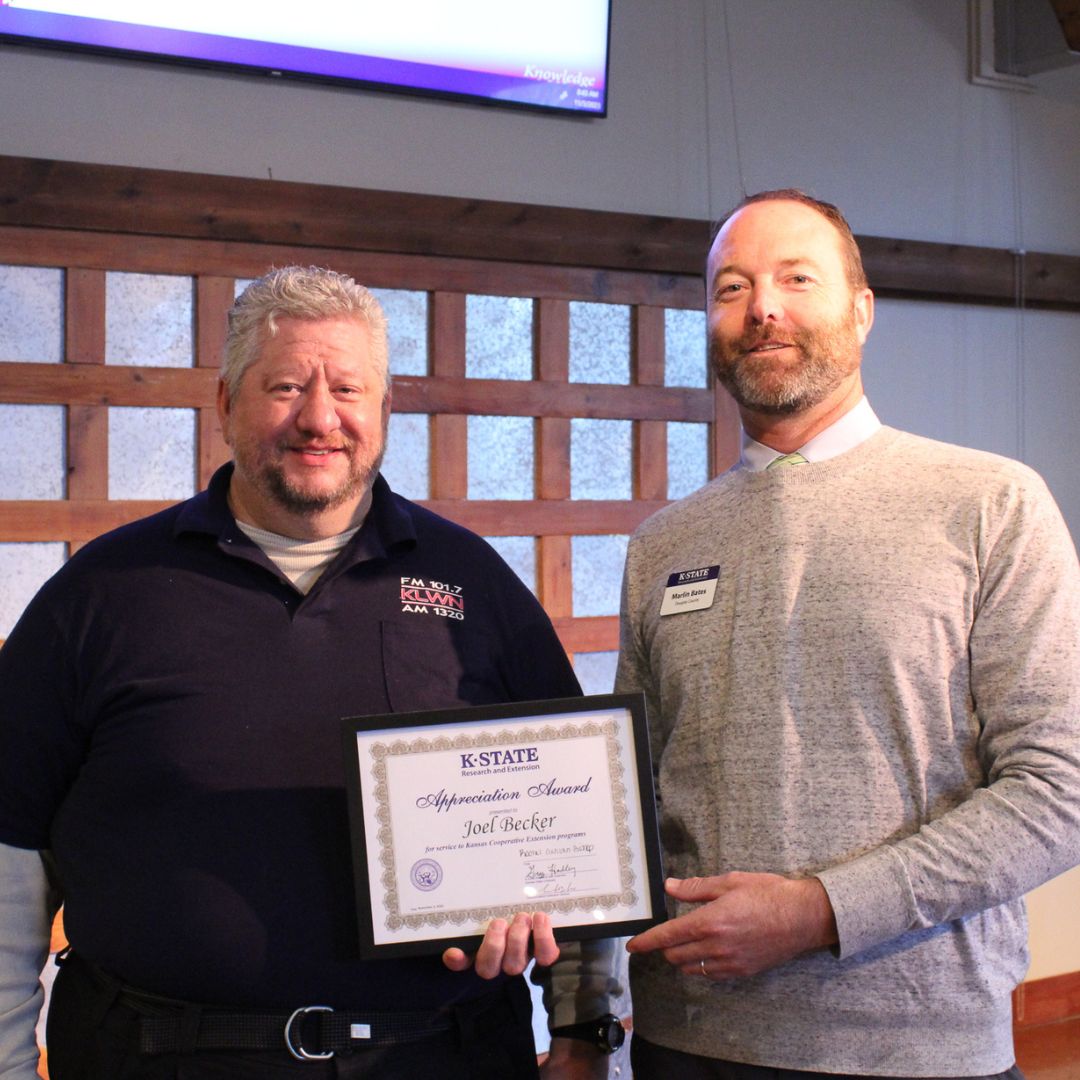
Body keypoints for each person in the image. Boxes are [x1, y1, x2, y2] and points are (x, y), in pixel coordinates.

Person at [0, 266, 619, 1078]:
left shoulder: (475, 586)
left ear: (386, 410)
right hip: (158, 1055)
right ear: (226, 402)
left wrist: (581, 1036)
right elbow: (10, 850)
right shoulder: (101, 594)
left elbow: (579, 836)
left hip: (441, 1058)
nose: (319, 418)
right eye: (286, 385)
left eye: (349, 390)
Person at [619, 190, 1080, 1078]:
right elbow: (622, 798)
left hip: (919, 1049)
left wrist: (819, 910)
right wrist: (583, 1012)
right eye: (732, 287)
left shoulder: (988, 504)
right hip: (686, 1042)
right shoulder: (662, 544)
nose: (763, 309)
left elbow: (1059, 789)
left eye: (797, 278)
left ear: (861, 311)